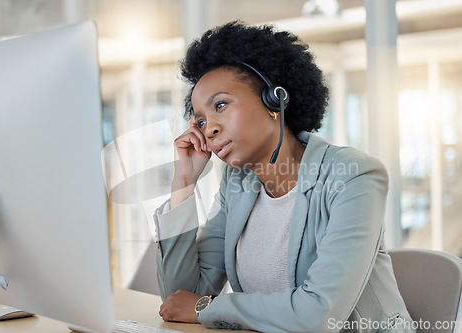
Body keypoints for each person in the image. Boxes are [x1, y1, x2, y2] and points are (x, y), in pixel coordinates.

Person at [154, 21, 415, 332]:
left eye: (220, 105)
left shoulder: (353, 175)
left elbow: (319, 314)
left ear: (273, 100)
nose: (209, 129)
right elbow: (180, 297)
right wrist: (183, 184)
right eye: (200, 121)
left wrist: (206, 308)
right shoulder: (237, 184)